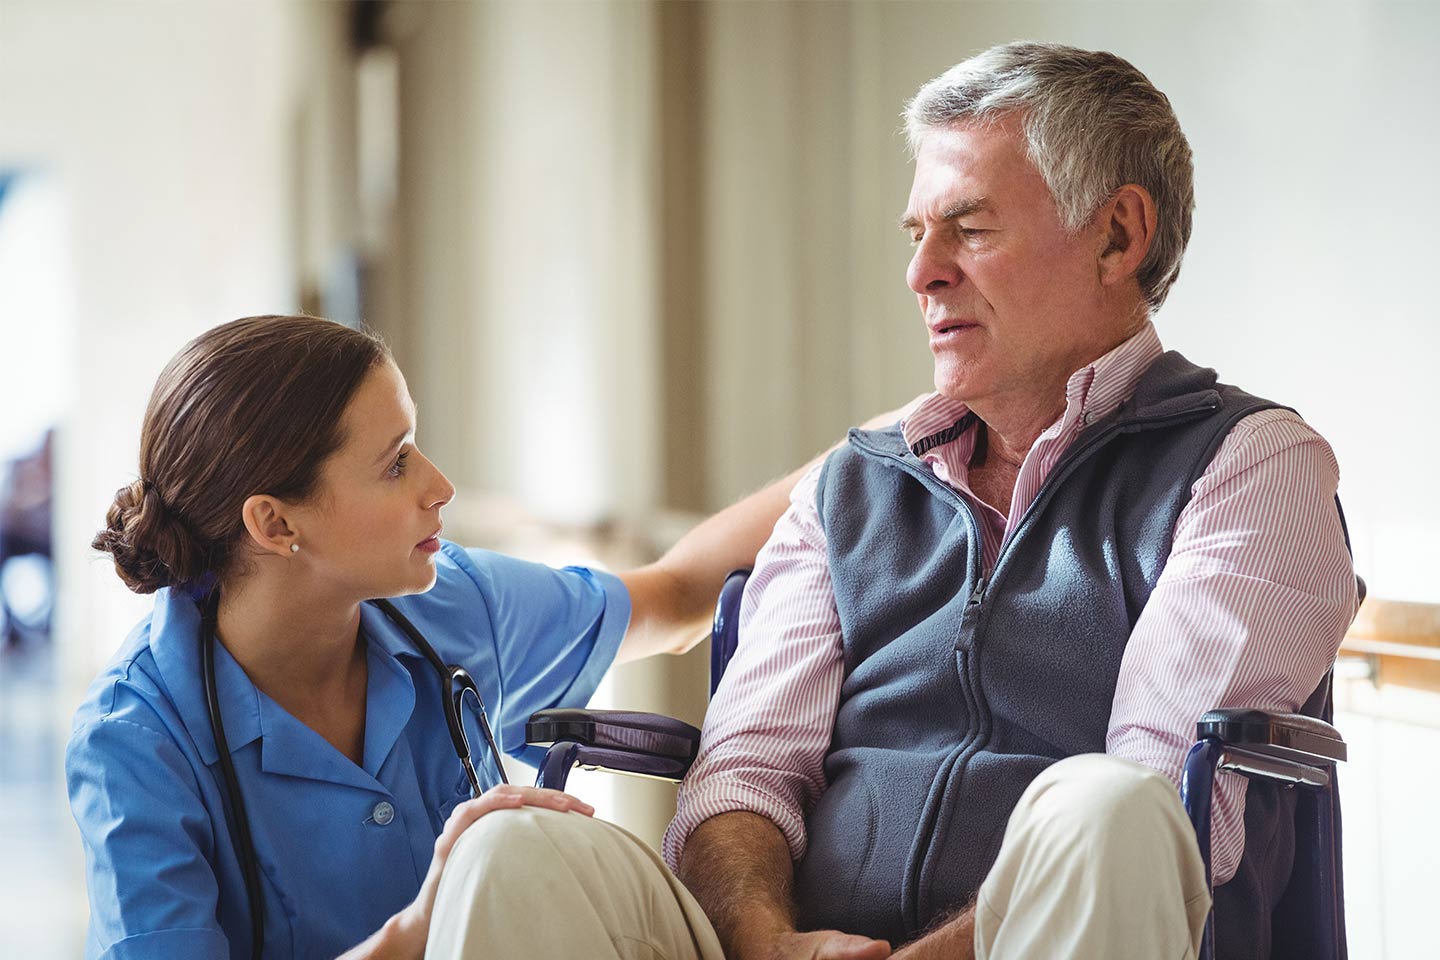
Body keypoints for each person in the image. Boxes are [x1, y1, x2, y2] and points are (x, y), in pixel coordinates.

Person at [663, 42, 1358, 960]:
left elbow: (1151, 811)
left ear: (1118, 236)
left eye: (971, 229)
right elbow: (744, 776)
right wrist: (764, 943)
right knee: (521, 848)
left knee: (1115, 807)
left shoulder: (1248, 464)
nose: (923, 275)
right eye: (918, 235)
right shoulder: (853, 484)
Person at [65, 314, 835, 960]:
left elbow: (676, 595)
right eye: (396, 464)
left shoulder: (449, 606)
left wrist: (885, 445)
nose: (440, 485)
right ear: (275, 523)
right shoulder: (135, 740)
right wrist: (420, 927)